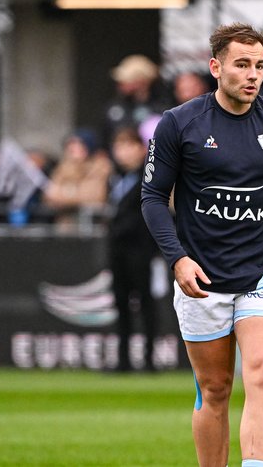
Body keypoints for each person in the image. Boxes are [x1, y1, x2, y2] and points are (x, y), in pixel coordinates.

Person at [141, 23, 263, 467]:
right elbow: (152, 197)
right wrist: (177, 259)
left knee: (262, 375)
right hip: (202, 280)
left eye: (259, 65)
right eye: (242, 64)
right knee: (215, 389)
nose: (252, 74)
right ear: (215, 67)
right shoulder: (179, 123)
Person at [108, 127, 159, 372]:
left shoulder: (147, 176)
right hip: (117, 249)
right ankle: (123, 360)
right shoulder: (115, 177)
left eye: (127, 146)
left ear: (140, 149)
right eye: (118, 147)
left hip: (140, 248)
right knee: (120, 303)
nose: (122, 152)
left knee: (145, 303)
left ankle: (149, 359)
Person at [43, 130, 113, 231]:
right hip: (66, 225)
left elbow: (94, 196)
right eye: (71, 145)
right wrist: (76, 193)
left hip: (92, 226)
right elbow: (50, 194)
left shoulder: (101, 166)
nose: (73, 149)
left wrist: (66, 193)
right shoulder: (63, 168)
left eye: (79, 145)